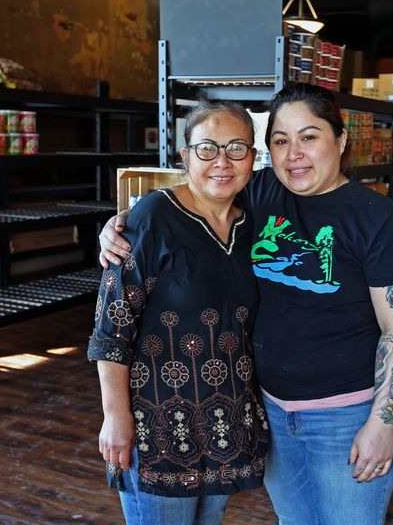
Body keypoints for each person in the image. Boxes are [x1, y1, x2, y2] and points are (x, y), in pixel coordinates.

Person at [99, 83, 393, 524]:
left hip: (346, 418)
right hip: (271, 413)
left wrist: (382, 424)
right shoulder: (261, 193)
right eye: (281, 140)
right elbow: (191, 190)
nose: (295, 154)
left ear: (340, 140)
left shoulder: (376, 217)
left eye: (309, 136)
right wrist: (122, 221)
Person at [88, 99, 270, 525]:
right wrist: (115, 416)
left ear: (253, 158)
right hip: (159, 429)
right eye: (207, 148)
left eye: (236, 148)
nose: (221, 162)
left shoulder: (255, 225)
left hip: (226, 425)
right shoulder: (153, 217)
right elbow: (111, 329)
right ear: (186, 156)